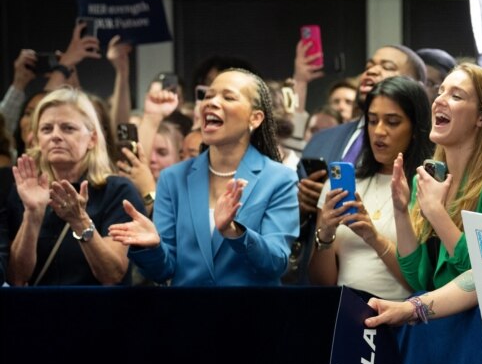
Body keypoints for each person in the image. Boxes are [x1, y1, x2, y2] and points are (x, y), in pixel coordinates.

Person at [108, 69, 299, 286]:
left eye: (228, 97)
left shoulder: (279, 178)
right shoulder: (174, 177)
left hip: (251, 315)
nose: (211, 103)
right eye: (208, 96)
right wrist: (151, 247)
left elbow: (277, 262)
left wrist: (235, 233)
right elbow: (164, 270)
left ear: (255, 118)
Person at [308, 76, 432, 299]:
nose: (379, 131)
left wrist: (374, 238)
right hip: (348, 316)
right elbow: (322, 282)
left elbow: (422, 284)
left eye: (392, 122)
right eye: (372, 120)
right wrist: (325, 236)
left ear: (416, 128)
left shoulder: (429, 187)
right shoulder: (344, 184)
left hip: (404, 321)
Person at [6, 87, 144, 285]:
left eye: (68, 128)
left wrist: (79, 220)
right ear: (37, 140)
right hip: (37, 312)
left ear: (92, 139)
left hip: (101, 311)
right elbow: (16, 279)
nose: (55, 136)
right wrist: (33, 214)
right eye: (46, 129)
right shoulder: (24, 191)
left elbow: (112, 274)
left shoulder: (118, 191)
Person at [392, 64, 482, 292]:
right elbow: (418, 279)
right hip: (436, 317)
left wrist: (436, 212)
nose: (439, 101)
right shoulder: (427, 179)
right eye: (440, 92)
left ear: (481, 118)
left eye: (456, 95)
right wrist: (400, 211)